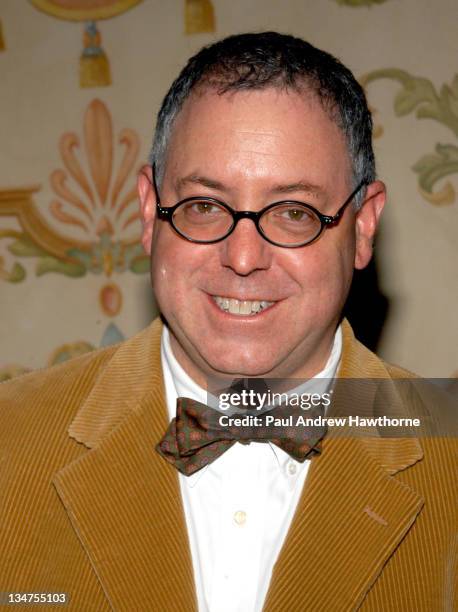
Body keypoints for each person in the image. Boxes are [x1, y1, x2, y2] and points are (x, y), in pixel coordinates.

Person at [0, 32, 455, 612]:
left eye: (295, 213)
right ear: (149, 212)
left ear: (363, 226)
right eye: (205, 206)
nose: (242, 258)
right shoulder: (8, 445)